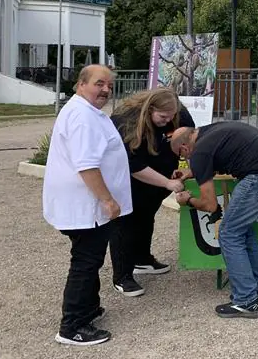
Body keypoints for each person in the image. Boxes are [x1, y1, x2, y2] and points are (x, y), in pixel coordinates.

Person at [42, 65, 132, 346]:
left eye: (109, 86)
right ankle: (72, 326)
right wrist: (107, 199)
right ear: (81, 84)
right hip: (86, 205)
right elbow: (87, 165)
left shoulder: (86, 111)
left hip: (86, 204)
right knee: (85, 262)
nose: (105, 90)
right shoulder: (82, 116)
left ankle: (88, 309)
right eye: (99, 84)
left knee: (89, 258)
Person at [170, 121, 258, 318]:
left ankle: (246, 300)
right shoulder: (208, 132)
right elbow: (216, 157)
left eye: (181, 155)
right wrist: (191, 173)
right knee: (241, 229)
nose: (185, 158)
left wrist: (188, 200)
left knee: (228, 233)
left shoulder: (199, 152)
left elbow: (210, 205)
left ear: (184, 147)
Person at [107, 88, 194, 297]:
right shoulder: (125, 120)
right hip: (130, 179)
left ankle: (142, 259)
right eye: (163, 117)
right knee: (125, 223)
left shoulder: (178, 112)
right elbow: (133, 164)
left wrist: (183, 167)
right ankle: (122, 276)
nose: (169, 121)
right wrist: (166, 183)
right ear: (149, 109)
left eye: (172, 116)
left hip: (158, 180)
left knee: (146, 217)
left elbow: (188, 140)